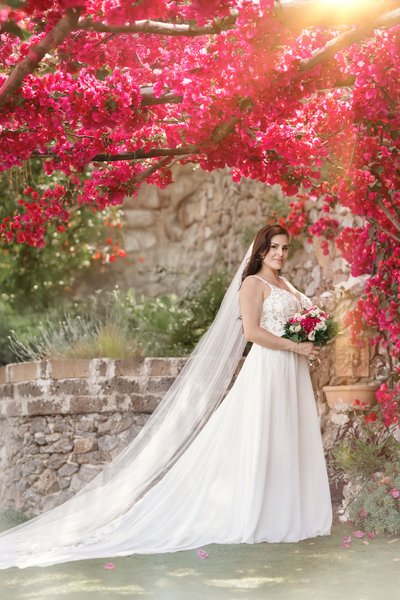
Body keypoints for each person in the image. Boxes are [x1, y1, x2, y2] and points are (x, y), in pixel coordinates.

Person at [0, 224, 331, 569]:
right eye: (273, 247)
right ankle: (259, 515)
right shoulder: (253, 284)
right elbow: (252, 332)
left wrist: (311, 342)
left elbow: (300, 322)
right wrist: (296, 345)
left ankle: (292, 512)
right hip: (269, 370)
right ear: (260, 250)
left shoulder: (286, 285)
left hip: (292, 370)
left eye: (284, 248)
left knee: (288, 438)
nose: (279, 253)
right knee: (265, 439)